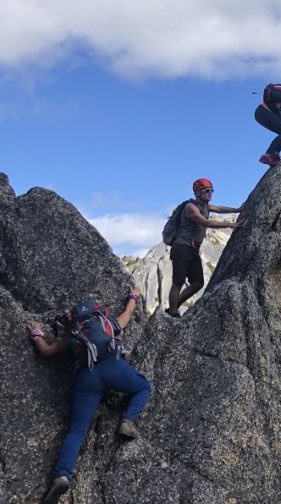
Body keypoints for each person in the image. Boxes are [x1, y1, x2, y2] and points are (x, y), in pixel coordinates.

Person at [28, 288, 150, 503]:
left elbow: (46, 351)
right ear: (99, 313)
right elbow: (128, 314)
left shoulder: (74, 333)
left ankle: (62, 475)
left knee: (76, 431)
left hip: (88, 377)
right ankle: (128, 421)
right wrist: (133, 296)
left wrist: (37, 332)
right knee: (143, 387)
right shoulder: (108, 323)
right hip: (114, 368)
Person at [166, 178, 240, 317]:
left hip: (193, 249)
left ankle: (173, 307)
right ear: (198, 193)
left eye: (211, 190)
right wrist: (229, 225)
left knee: (198, 283)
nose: (210, 193)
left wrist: (237, 210)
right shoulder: (190, 207)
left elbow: (218, 208)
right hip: (181, 248)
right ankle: (173, 312)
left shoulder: (206, 205)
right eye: (207, 191)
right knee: (178, 282)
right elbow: (205, 222)